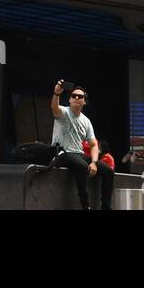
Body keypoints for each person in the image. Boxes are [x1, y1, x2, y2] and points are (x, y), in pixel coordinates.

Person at [49, 80, 114, 211]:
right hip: (61, 152)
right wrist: (56, 93)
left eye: (80, 96)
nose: (76, 98)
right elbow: (54, 108)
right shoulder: (63, 112)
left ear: (84, 101)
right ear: (69, 100)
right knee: (82, 165)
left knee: (108, 171)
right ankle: (86, 206)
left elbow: (94, 144)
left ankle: (106, 206)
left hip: (78, 154)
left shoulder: (86, 121)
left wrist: (95, 162)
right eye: (73, 96)